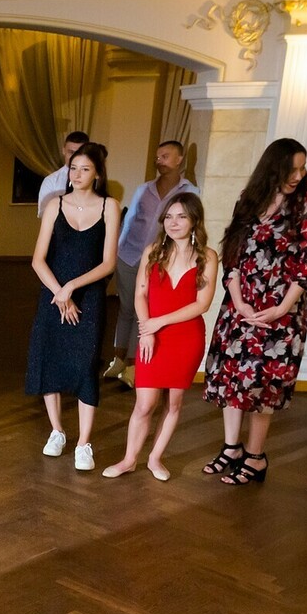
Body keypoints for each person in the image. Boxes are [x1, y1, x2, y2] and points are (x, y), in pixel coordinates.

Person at [201, 138, 307, 485]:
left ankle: (255, 457)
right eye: (291, 169)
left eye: (302, 167)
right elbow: (232, 255)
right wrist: (238, 301)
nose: (298, 175)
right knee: (232, 377)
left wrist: (282, 308)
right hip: (240, 304)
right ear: (273, 167)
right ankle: (232, 448)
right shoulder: (249, 198)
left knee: (262, 383)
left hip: (282, 309)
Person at [101, 192, 216, 482]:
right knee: (144, 404)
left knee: (173, 403)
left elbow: (202, 305)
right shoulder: (153, 251)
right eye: (168, 217)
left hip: (186, 338)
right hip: (152, 335)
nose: (173, 223)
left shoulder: (208, 257)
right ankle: (129, 460)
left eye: (181, 217)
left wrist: (157, 323)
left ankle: (155, 458)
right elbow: (140, 295)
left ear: (194, 221)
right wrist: (146, 330)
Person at [25, 142, 119, 471]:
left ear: (98, 174)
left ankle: (84, 443)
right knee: (48, 358)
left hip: (88, 297)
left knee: (86, 363)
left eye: (85, 169)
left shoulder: (109, 206)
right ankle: (57, 431)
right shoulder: (55, 204)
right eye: (73, 168)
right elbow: (38, 259)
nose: (77, 175)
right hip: (53, 295)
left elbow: (108, 263)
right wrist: (59, 293)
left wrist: (72, 288)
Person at [106, 140, 198, 383]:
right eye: (158, 157)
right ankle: (118, 360)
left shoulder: (189, 192)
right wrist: (116, 254)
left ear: (179, 160)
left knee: (145, 311)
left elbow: (193, 225)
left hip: (161, 260)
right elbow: (128, 223)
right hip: (129, 256)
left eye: (165, 156)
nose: (160, 161)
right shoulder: (144, 189)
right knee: (126, 308)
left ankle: (134, 366)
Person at [35, 130, 91, 216]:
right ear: (63, 150)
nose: (74, 157)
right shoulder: (51, 181)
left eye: (79, 153)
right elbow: (44, 213)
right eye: (71, 152)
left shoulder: (93, 179)